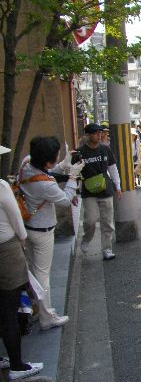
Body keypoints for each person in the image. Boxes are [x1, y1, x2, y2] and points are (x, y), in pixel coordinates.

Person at [20, 136, 84, 330]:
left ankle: (37, 309)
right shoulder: (45, 185)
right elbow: (65, 199)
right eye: (57, 155)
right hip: (42, 231)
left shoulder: (26, 164)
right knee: (42, 275)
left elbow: (45, 174)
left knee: (33, 271)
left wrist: (62, 165)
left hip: (28, 227)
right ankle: (47, 317)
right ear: (49, 160)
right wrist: (72, 176)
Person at [0, 144, 44, 381]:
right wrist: (23, 239)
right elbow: (16, 218)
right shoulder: (2, 187)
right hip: (6, 250)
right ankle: (17, 364)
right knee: (10, 308)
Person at [77, 123, 122, 260]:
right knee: (90, 220)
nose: (99, 135)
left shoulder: (105, 149)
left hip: (105, 189)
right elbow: (74, 172)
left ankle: (107, 249)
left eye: (100, 133)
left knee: (107, 222)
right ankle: (86, 239)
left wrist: (117, 186)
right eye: (96, 133)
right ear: (88, 135)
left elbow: (113, 168)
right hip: (89, 191)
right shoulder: (80, 152)